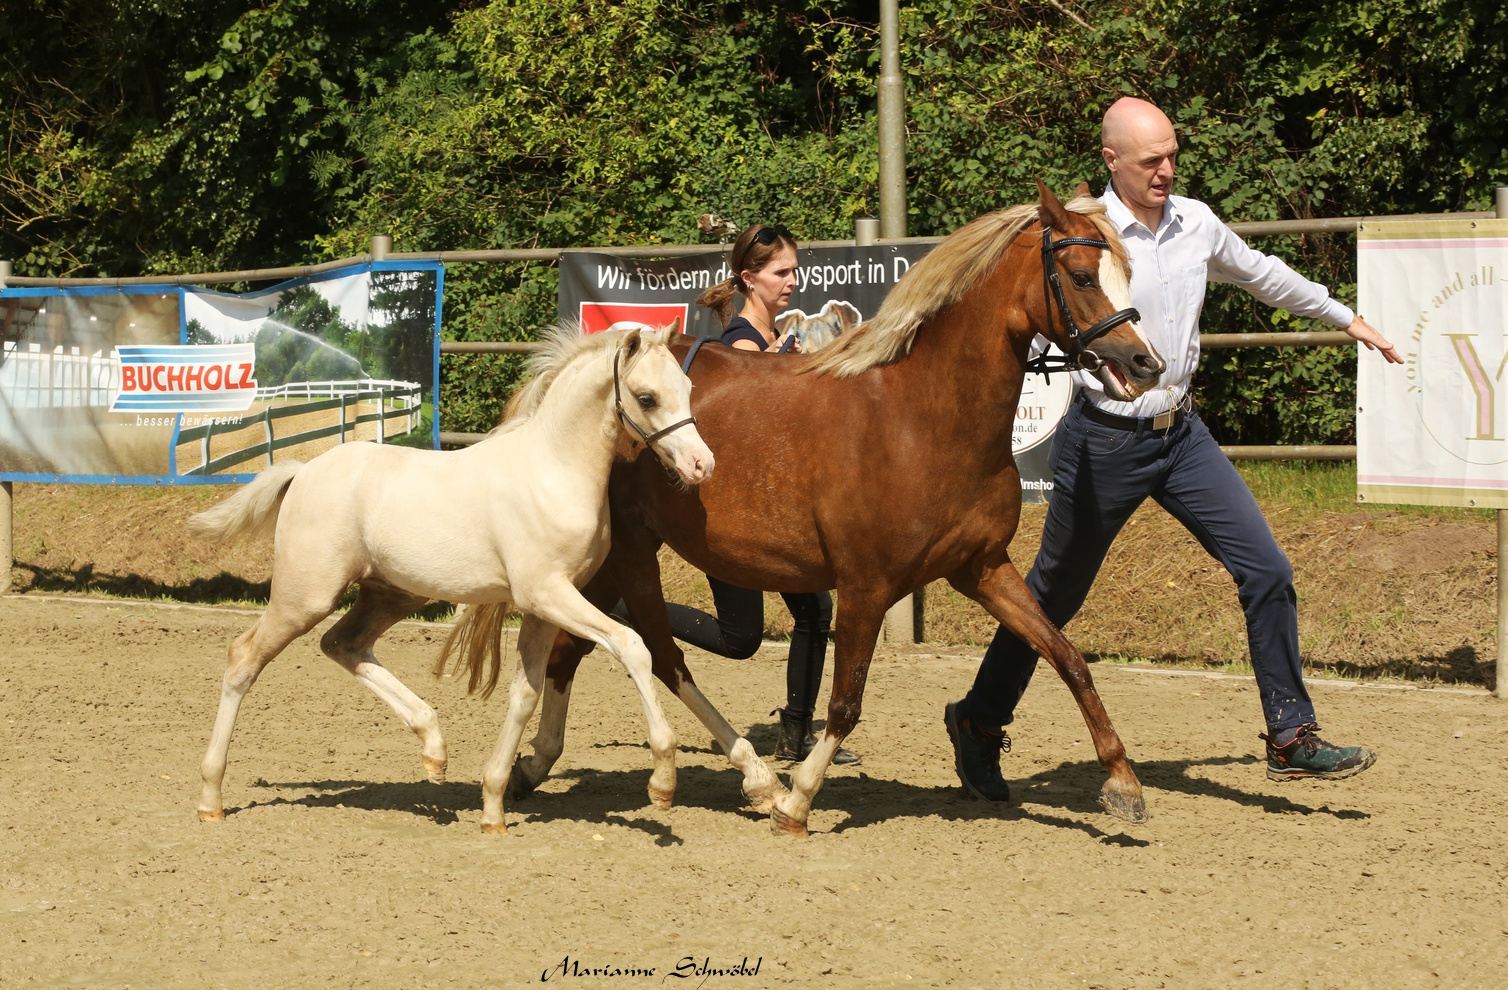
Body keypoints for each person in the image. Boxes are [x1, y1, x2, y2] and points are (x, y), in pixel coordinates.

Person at [944, 97, 1402, 800]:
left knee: (1268, 571)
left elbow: (1262, 273)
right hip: (1102, 442)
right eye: (1151, 159)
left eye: (1171, 155)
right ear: (1111, 161)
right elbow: (1038, 320)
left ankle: (1290, 736)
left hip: (1181, 437)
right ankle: (978, 722)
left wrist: (1346, 316)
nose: (1167, 169)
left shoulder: (1196, 223)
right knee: (1050, 598)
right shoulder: (1080, 228)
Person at [670, 223, 858, 764]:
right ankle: (626, 608)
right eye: (781, 272)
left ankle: (796, 734)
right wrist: (777, 364)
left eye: (795, 270)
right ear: (750, 279)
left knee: (815, 610)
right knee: (740, 639)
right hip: (730, 511)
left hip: (769, 507)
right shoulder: (742, 344)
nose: (792, 281)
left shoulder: (767, 338)